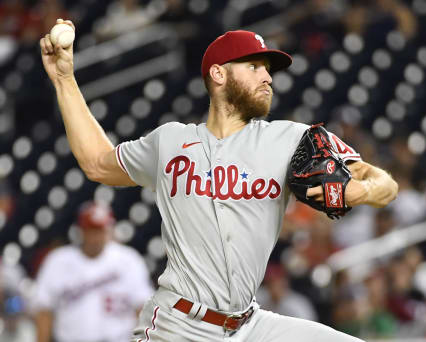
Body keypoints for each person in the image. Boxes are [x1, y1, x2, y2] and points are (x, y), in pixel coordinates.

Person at [39, 18, 398, 342]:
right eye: (255, 66)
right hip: (177, 326)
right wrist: (64, 79)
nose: (268, 77)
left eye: (268, 70)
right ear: (219, 74)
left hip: (250, 326)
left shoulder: (291, 139)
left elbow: (386, 184)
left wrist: (364, 188)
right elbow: (97, 164)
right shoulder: (170, 141)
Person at [32, 201, 154, 342]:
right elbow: (44, 311)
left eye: (100, 230)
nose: (95, 237)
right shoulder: (58, 261)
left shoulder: (128, 260)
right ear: (80, 230)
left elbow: (143, 310)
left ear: (109, 229)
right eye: (90, 230)